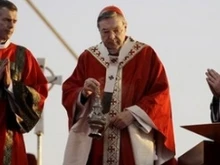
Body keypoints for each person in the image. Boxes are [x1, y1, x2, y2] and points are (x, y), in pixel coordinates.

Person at [62, 5, 176, 165]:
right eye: (105, 32)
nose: (112, 36)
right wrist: (83, 92)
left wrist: (133, 114)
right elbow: (69, 91)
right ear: (99, 31)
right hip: (96, 144)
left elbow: (160, 94)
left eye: (116, 30)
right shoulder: (88, 57)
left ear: (125, 27)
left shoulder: (145, 55)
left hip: (132, 140)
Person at [0, 1, 48, 165]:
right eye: (6, 20)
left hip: (9, 135)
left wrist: (10, 86)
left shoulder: (23, 56)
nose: (11, 26)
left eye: (14, 21)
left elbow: (39, 95)